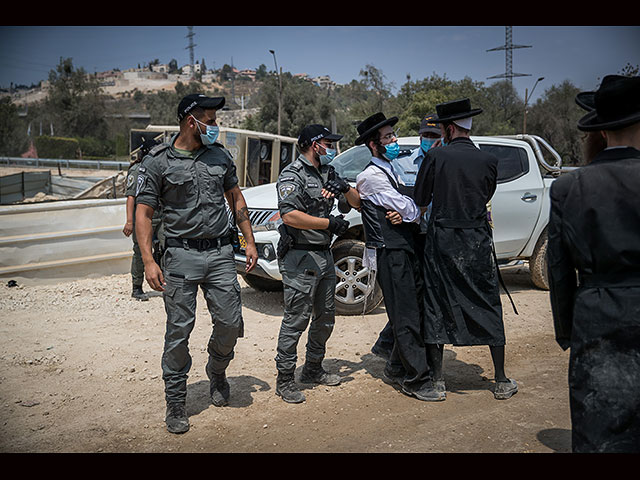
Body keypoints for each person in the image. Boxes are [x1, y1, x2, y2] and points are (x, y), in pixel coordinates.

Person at [135, 93, 258, 434]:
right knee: (178, 331)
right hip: (180, 256)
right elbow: (143, 214)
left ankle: (217, 372)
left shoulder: (219, 156)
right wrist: (148, 261)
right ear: (193, 121)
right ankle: (176, 400)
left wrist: (247, 242)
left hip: (220, 254)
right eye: (212, 120)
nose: (216, 127)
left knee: (231, 323)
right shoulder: (158, 161)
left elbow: (235, 197)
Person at [547, 74, 640, 453]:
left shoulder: (569, 187)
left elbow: (558, 268)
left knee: (600, 423)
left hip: (596, 314)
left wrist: (567, 329)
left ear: (600, 132)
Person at [413, 98, 517, 401]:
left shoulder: (437, 157)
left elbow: (421, 198)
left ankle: (437, 382)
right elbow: (487, 193)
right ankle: (500, 380)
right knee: (486, 301)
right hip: (476, 241)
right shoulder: (488, 160)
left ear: (448, 128)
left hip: (443, 240)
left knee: (437, 302)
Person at [355, 112, 443, 402]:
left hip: (405, 250)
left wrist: (410, 211)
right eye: (388, 137)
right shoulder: (370, 176)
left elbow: (407, 208)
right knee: (405, 315)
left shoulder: (389, 169)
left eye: (393, 135)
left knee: (412, 309)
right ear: (373, 144)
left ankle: (394, 364)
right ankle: (416, 379)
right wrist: (413, 212)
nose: (394, 140)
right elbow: (408, 207)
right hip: (391, 252)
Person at [274, 124, 360, 403]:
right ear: (314, 144)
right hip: (300, 256)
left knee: (325, 317)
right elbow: (289, 216)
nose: (331, 147)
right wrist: (329, 222)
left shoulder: (329, 172)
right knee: (296, 319)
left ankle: (313, 368)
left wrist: (345, 188)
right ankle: (285, 379)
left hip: (324, 255)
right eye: (327, 142)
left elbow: (356, 204)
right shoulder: (293, 174)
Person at [372, 114, 441, 360]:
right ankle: (393, 345)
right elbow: (395, 197)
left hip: (437, 234)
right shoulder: (403, 163)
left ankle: (391, 343)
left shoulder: (446, 162)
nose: (430, 140)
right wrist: (399, 214)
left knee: (424, 296)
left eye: (435, 136)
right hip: (414, 236)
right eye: (426, 135)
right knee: (412, 297)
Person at [122, 138, 164, 301]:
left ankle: (166, 282)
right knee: (141, 252)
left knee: (169, 246)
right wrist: (130, 222)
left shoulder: (160, 166)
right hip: (143, 218)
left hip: (161, 216)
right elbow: (131, 197)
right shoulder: (137, 170)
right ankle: (137, 287)